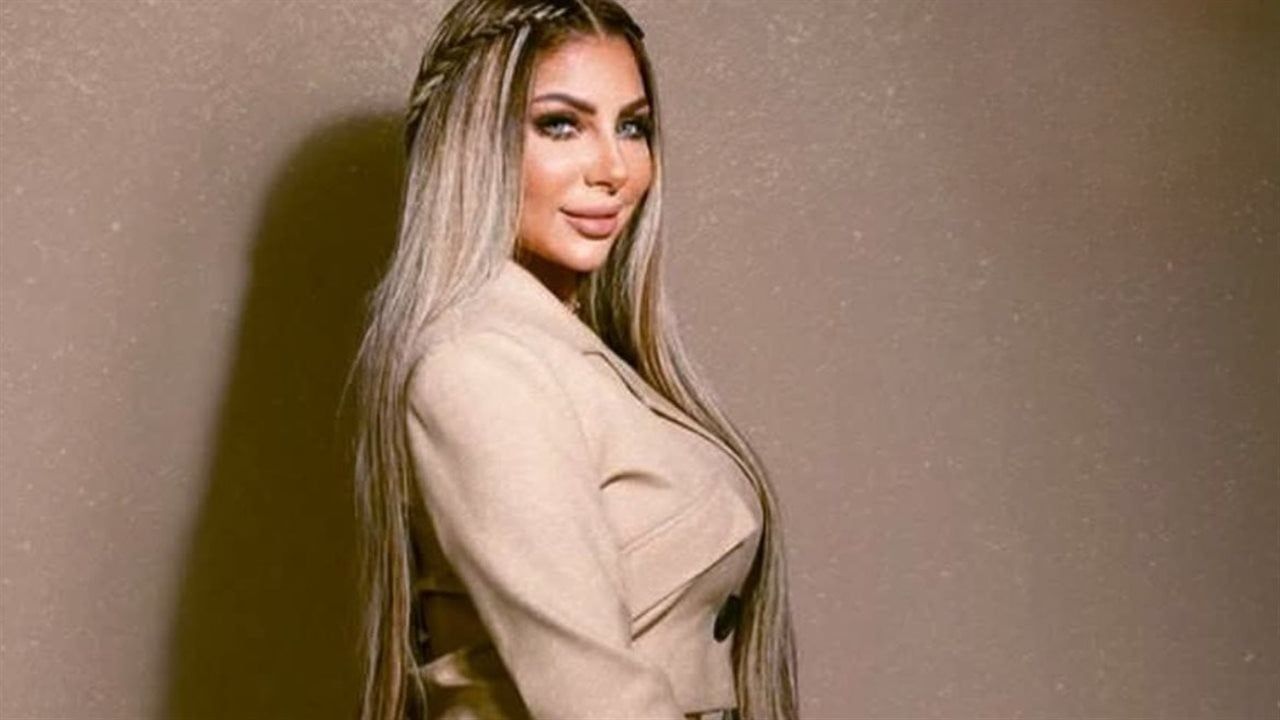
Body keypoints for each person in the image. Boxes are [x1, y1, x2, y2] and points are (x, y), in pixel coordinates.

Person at [348, 1, 799, 718]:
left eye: (632, 127)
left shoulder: (572, 352)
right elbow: (594, 700)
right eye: (561, 124)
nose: (615, 169)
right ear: (473, 142)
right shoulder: (482, 367)